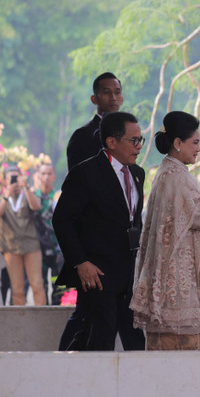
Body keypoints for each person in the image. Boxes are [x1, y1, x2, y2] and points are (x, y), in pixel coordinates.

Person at [130, 110, 200, 351]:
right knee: (188, 366)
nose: (198, 149)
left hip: (166, 281)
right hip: (178, 289)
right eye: (194, 143)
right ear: (177, 143)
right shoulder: (177, 177)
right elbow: (198, 216)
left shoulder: (165, 173)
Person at [53, 112, 146, 351]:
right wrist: (81, 262)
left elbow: (133, 221)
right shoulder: (86, 173)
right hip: (96, 274)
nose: (138, 146)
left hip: (128, 276)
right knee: (101, 340)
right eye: (133, 140)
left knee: (135, 341)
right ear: (112, 142)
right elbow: (62, 220)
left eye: (140, 140)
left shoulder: (137, 173)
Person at [0, 166, 47, 306]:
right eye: (11, 178)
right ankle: (21, 322)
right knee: (17, 289)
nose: (15, 181)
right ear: (4, 181)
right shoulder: (3, 197)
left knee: (37, 284)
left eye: (17, 177)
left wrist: (26, 188)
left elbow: (36, 206)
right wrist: (6, 195)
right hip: (11, 248)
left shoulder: (27, 194)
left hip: (31, 246)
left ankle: (41, 317)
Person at [66, 72, 123, 171]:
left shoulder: (126, 133)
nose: (113, 98)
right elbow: (76, 178)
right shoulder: (82, 135)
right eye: (106, 92)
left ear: (121, 99)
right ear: (94, 99)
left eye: (117, 92)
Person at [32, 164, 64, 305]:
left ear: (54, 176)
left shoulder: (59, 197)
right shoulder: (32, 197)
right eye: (43, 173)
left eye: (49, 173)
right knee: (41, 287)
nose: (46, 177)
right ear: (38, 176)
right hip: (37, 250)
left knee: (58, 287)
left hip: (57, 249)